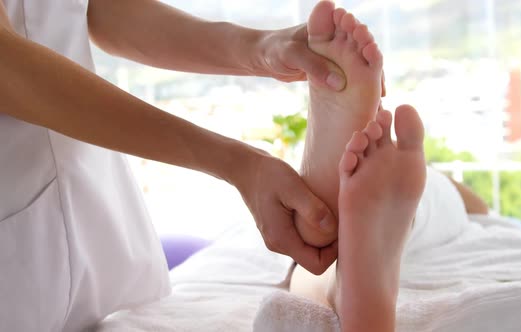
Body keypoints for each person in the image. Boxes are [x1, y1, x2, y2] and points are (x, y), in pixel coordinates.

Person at [0, 0, 346, 330]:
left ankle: (353, 274)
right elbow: (7, 66)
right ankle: (358, 278)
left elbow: (91, 8)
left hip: (88, 230)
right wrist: (239, 164)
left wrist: (261, 48)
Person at [288, 2, 490, 331]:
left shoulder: (395, 167)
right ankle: (340, 268)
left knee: (307, 260)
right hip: (434, 196)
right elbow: (480, 209)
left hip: (393, 192)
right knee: (430, 205)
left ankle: (326, 253)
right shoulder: (421, 174)